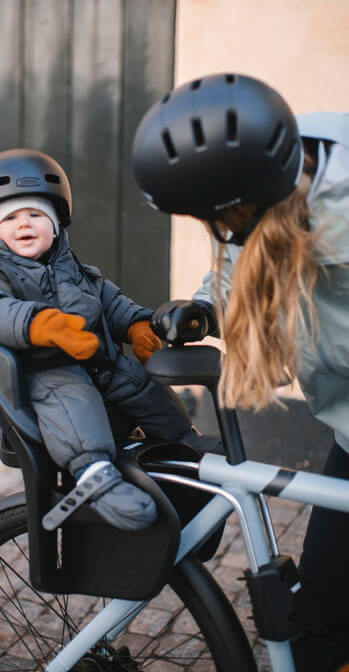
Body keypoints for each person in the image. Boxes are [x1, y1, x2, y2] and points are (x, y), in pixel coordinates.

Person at [132, 71, 349, 672]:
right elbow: (239, 264)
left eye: (217, 219)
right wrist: (205, 310)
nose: (216, 233)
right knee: (323, 617)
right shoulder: (265, 181)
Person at [0, 148, 213, 532]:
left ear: (56, 224)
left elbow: (108, 300)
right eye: (10, 217)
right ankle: (96, 478)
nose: (23, 224)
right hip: (49, 372)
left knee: (148, 389)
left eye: (35, 215)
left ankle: (186, 449)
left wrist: (136, 326)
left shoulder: (68, 263)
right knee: (76, 410)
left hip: (103, 364)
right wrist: (41, 324)